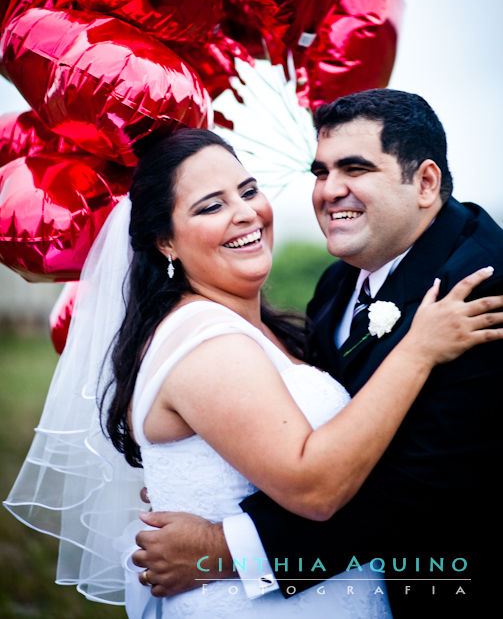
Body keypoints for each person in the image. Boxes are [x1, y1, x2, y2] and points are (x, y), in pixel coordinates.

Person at [4, 121, 501, 617]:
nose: (245, 214)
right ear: (165, 242)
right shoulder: (205, 340)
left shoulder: (310, 305)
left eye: (247, 191)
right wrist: (416, 351)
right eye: (211, 206)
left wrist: (220, 546)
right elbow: (318, 485)